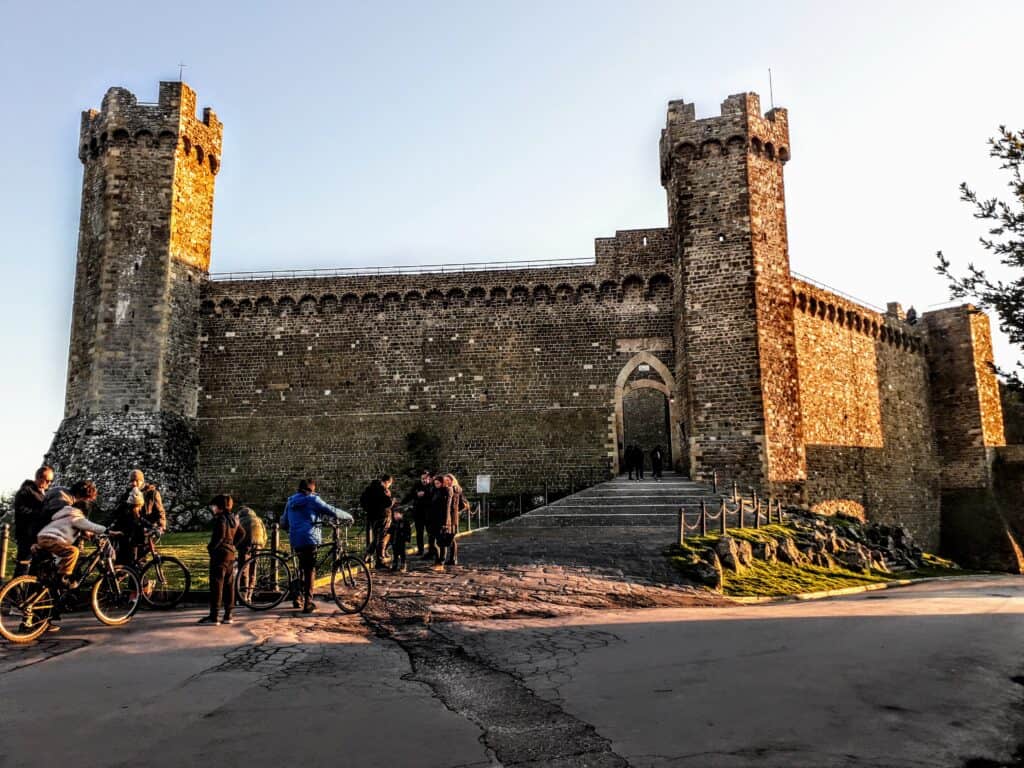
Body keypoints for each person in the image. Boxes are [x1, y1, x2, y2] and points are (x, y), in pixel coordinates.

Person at [281, 478, 354, 613]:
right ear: (312, 490)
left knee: (302, 567)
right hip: (309, 538)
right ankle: (308, 603)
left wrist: (294, 529)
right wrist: (348, 516)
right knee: (310, 570)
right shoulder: (313, 500)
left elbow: (284, 522)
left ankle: (297, 597)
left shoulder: (290, 501)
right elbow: (331, 510)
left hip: (295, 538)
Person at [35, 480, 103, 582]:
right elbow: (68, 521)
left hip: (42, 533)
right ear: (82, 495)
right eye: (87, 499)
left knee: (45, 569)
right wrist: (88, 532)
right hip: (44, 534)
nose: (86, 502)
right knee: (71, 554)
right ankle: (60, 583)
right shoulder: (63, 501)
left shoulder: (63, 493)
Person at [199, 494, 247, 626]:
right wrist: (233, 545)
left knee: (216, 585)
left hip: (219, 555)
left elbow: (219, 536)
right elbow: (242, 533)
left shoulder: (221, 519)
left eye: (214, 506)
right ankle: (228, 614)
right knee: (229, 585)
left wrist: (211, 548)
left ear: (220, 507)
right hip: (230, 555)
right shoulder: (234, 519)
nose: (212, 508)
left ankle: (214, 615)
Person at [12, 466, 54, 577]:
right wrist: (42, 513)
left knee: (39, 567)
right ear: (40, 478)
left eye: (51, 481)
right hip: (27, 535)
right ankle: (13, 593)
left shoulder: (44, 493)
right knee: (23, 566)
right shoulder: (25, 491)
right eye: (48, 481)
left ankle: (31, 593)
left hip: (39, 535)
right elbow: (21, 510)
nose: (49, 483)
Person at [359, 475, 393, 569]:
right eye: (389, 484)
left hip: (372, 517)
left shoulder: (369, 489)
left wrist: (369, 510)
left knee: (377, 537)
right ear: (386, 482)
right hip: (382, 516)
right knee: (381, 538)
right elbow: (388, 503)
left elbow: (362, 501)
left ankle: (368, 555)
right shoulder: (383, 490)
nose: (388, 486)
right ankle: (379, 560)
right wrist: (389, 496)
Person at [237, 506, 267, 602]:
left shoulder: (241, 519)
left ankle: (243, 596)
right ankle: (250, 596)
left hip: (245, 545)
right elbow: (265, 535)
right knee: (253, 571)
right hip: (258, 545)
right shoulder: (258, 519)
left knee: (243, 571)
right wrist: (261, 545)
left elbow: (237, 534)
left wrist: (236, 546)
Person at [438, 474, 469, 568]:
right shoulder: (448, 490)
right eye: (445, 480)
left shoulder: (455, 490)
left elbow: (463, 504)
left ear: (452, 480)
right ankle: (451, 559)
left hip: (451, 517)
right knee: (449, 537)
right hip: (450, 516)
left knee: (450, 537)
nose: (446, 482)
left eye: (448, 480)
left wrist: (455, 510)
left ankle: (452, 559)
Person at [402, 470, 434, 557]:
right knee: (419, 532)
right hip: (418, 513)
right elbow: (410, 495)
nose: (424, 480)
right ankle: (421, 550)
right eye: (422, 479)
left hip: (428, 514)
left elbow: (433, 496)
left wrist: (425, 493)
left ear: (428, 479)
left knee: (430, 532)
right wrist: (402, 502)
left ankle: (432, 550)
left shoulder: (432, 486)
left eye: (425, 479)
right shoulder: (417, 485)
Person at [387, 500, 412, 572]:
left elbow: (408, 531)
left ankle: (403, 564)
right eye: (394, 514)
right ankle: (395, 565)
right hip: (395, 540)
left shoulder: (404, 522)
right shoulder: (394, 523)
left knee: (402, 554)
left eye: (397, 514)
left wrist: (407, 538)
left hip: (401, 540)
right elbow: (390, 531)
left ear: (401, 514)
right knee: (395, 554)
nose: (395, 516)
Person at [427, 475, 447, 564]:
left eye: (438, 483)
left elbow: (445, 508)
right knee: (432, 541)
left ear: (442, 483)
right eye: (435, 483)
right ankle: (437, 557)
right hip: (433, 519)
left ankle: (441, 559)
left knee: (441, 541)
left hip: (440, 519)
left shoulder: (445, 492)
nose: (436, 485)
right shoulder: (434, 491)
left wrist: (445, 521)